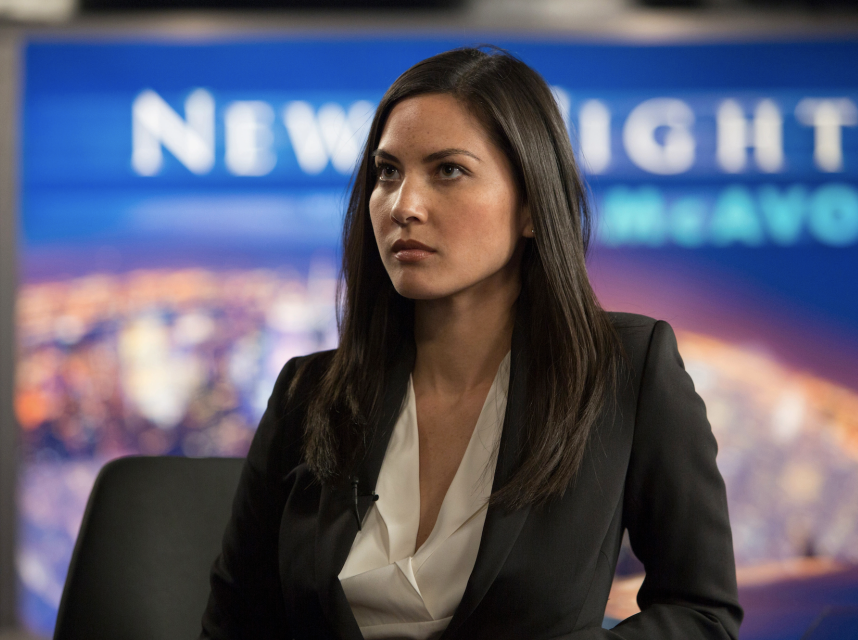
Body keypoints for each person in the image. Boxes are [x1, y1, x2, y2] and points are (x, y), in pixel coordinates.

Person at [201, 46, 742, 640]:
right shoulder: (307, 394)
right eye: (387, 172)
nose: (404, 205)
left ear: (533, 205)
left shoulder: (624, 371)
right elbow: (235, 625)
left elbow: (702, 614)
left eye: (448, 170)